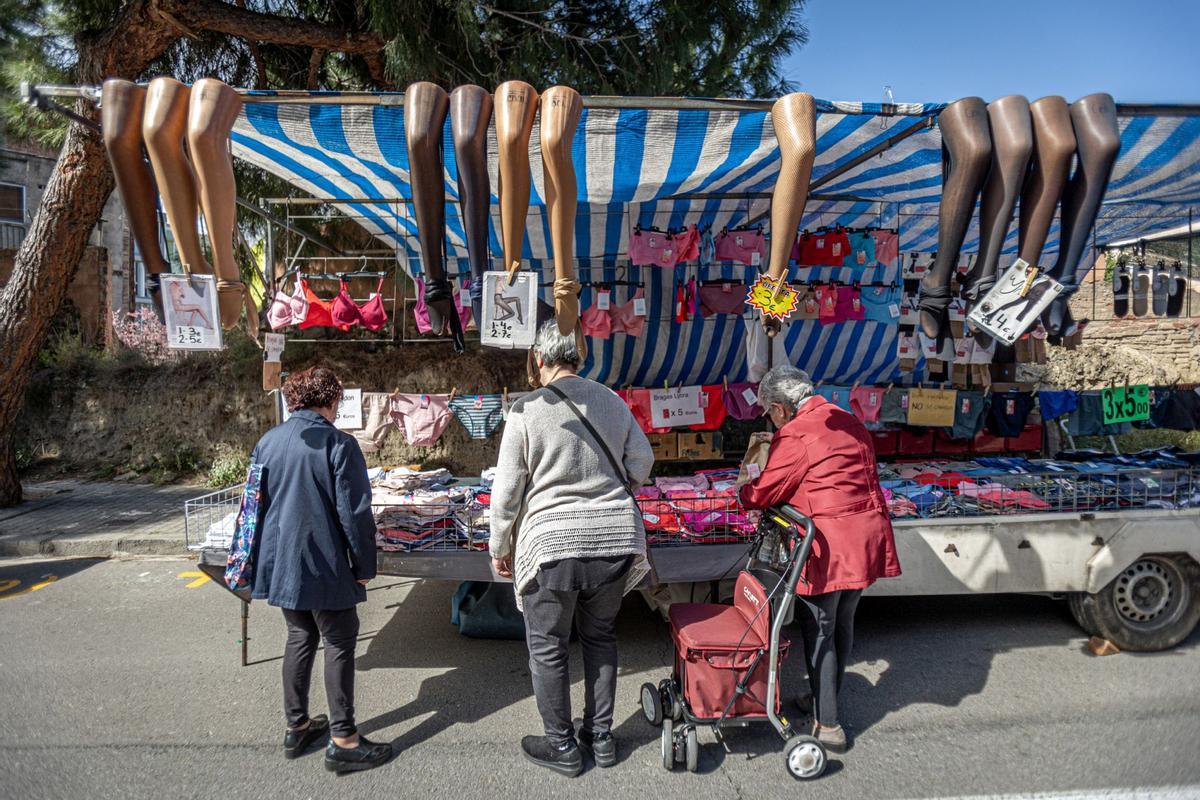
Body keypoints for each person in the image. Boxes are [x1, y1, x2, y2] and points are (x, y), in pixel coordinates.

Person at [489, 320, 655, 777]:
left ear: (538, 359)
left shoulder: (526, 409)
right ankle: (601, 738)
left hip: (552, 544)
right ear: (578, 358)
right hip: (615, 539)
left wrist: (498, 544)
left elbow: (506, 492)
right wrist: (613, 487)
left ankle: (562, 746)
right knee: (600, 638)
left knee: (547, 647)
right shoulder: (613, 402)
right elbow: (642, 461)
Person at [738, 365, 900, 754]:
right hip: (863, 536)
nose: (771, 421)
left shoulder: (797, 432)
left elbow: (767, 490)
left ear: (779, 408)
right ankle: (820, 699)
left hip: (828, 543)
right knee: (841, 622)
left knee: (820, 628)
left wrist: (744, 492)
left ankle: (828, 724)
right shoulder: (848, 419)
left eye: (769, 414)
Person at [249, 366, 392, 774]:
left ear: (293, 400)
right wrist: (364, 566)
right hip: (324, 561)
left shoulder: (268, 442)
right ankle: (344, 739)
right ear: (331, 401)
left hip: (281, 562)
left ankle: (297, 726)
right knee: (339, 641)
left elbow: (254, 507)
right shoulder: (339, 444)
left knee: (298, 634)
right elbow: (355, 514)